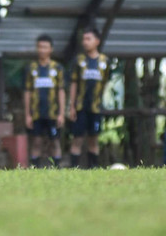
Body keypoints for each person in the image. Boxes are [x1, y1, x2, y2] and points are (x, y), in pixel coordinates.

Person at [69, 28, 110, 169]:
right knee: (77, 138)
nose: (85, 42)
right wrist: (72, 106)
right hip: (80, 107)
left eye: (88, 39)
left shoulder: (104, 61)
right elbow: (74, 83)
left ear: (97, 41)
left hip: (96, 107)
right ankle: (74, 168)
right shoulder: (79, 61)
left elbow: (105, 83)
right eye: (84, 39)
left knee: (94, 139)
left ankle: (94, 168)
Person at [24, 35, 65, 168]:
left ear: (51, 49)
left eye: (45, 47)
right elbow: (27, 92)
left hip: (53, 113)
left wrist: (61, 113)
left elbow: (61, 91)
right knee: (36, 141)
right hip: (36, 113)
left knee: (55, 141)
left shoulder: (57, 68)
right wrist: (27, 115)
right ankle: (34, 168)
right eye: (40, 47)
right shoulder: (31, 68)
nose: (42, 50)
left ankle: (57, 168)